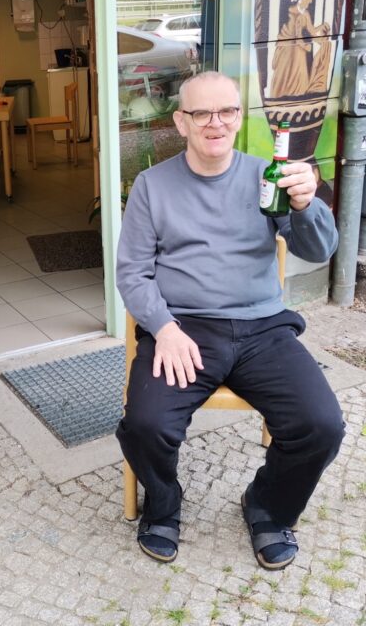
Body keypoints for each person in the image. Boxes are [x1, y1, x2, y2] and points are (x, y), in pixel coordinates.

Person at [116, 71, 342, 571]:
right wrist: (165, 328)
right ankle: (163, 504)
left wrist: (308, 204)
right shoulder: (153, 186)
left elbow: (319, 249)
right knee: (146, 423)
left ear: (240, 118)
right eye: (201, 113)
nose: (215, 123)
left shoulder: (270, 177)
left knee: (321, 424)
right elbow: (132, 273)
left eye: (227, 111)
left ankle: (267, 505)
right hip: (184, 329)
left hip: (263, 327)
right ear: (181, 122)